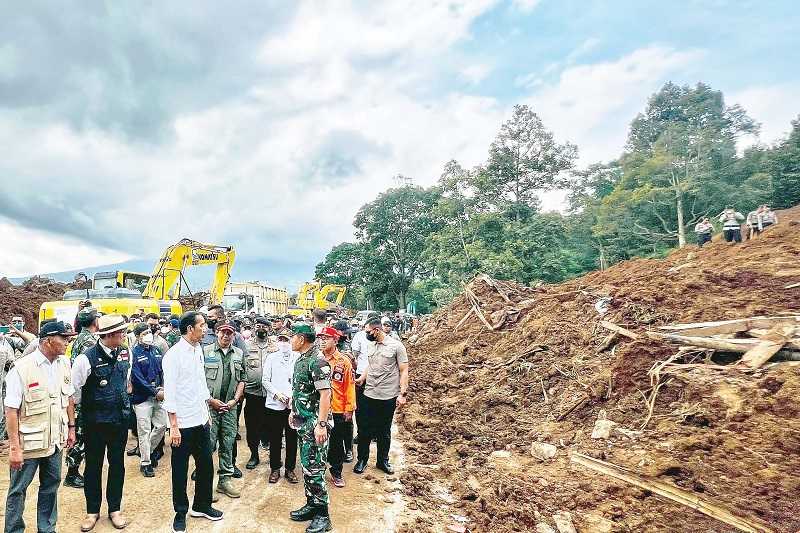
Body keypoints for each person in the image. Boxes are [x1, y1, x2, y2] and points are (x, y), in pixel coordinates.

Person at [3, 321, 77, 533]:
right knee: (18, 490)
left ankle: (46, 529)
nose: (67, 341)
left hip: (55, 441)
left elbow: (69, 397)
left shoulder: (64, 363)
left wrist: (71, 427)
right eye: (63, 338)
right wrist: (15, 448)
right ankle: (14, 530)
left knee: (50, 487)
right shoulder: (22, 369)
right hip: (28, 445)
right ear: (47, 340)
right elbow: (11, 411)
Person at [163, 311, 224, 533]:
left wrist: (209, 401)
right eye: (202, 325)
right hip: (183, 424)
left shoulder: (198, 350)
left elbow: (199, 383)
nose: (206, 328)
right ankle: (180, 513)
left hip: (201, 419)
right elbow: (170, 394)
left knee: (206, 465)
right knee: (180, 471)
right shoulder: (173, 356)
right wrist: (174, 427)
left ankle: (202, 505)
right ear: (190, 329)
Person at [71, 314, 131, 531]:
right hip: (95, 423)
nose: (124, 335)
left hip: (119, 422)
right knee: (93, 467)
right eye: (121, 332)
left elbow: (126, 381)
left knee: (117, 466)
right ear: (110, 335)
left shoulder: (124, 353)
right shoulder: (85, 359)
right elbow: (74, 392)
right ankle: (92, 511)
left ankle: (115, 509)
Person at [288, 324, 333, 533]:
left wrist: (321, 425)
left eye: (292, 337)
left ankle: (323, 515)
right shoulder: (302, 360)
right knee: (307, 467)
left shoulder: (317, 361)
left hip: (315, 425)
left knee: (315, 469)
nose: (290, 340)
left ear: (302, 339)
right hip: (303, 423)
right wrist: (293, 411)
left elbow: (326, 395)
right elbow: (300, 391)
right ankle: (311, 505)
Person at [353, 317, 409, 476]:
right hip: (369, 393)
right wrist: (362, 378)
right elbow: (370, 365)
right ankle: (362, 459)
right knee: (364, 429)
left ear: (376, 330)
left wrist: (402, 393)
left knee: (384, 430)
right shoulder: (370, 345)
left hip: (387, 395)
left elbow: (404, 370)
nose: (366, 334)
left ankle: (382, 460)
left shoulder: (396, 346)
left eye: (368, 331)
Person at [203, 321, 245, 498]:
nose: (226, 336)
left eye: (229, 333)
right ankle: (205, 485)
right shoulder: (205, 352)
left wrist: (235, 400)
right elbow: (198, 380)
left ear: (233, 336)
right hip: (210, 407)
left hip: (229, 407)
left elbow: (242, 379)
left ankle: (224, 480)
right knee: (208, 445)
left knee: (227, 443)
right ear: (216, 333)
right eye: (223, 332)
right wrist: (211, 400)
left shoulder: (239, 353)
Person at [64, 307, 101, 489]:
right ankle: (72, 473)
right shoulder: (89, 341)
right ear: (94, 321)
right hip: (84, 397)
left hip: (81, 396)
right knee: (80, 437)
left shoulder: (81, 337)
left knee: (81, 435)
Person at [261, 329, 299, 484]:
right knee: (275, 438)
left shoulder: (298, 357)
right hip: (275, 404)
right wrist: (278, 395)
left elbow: (301, 380)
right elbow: (265, 380)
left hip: (293, 405)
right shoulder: (271, 358)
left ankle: (290, 469)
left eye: (287, 340)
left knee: (292, 438)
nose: (284, 343)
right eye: (281, 340)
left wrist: (293, 397)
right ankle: (275, 468)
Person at [319, 327, 355, 488]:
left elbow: (350, 386)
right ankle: (317, 471)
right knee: (317, 442)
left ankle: (336, 472)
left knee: (336, 443)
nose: (322, 340)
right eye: (321, 338)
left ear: (335, 340)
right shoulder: (316, 359)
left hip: (337, 409)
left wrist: (349, 407)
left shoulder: (343, 362)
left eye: (326, 338)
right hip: (318, 409)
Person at [130, 323, 167, 478]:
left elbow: (163, 371)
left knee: (162, 425)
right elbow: (137, 378)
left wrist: (163, 388)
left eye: (149, 332)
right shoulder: (134, 354)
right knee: (144, 430)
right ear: (138, 336)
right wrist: (154, 391)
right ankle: (146, 462)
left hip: (159, 396)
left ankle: (147, 450)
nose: (148, 335)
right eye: (145, 333)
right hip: (142, 398)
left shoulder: (156, 350)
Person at [241, 317, 271, 471]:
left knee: (271, 427)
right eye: (258, 326)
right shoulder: (246, 346)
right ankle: (254, 455)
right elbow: (241, 368)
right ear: (253, 328)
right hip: (252, 393)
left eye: (264, 326)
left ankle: (274, 456)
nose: (261, 328)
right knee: (252, 427)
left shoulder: (275, 346)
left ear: (269, 329)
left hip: (271, 395)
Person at [0, 323, 33, 440]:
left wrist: (17, 332)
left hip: (7, 380)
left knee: (6, 407)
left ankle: (3, 437)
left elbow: (29, 342)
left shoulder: (8, 340)